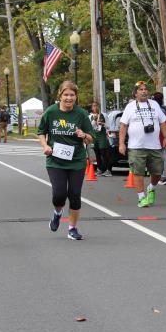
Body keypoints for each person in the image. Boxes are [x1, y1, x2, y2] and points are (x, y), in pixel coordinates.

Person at [38, 81, 95, 241]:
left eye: (72, 95)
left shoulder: (81, 114)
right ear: (60, 95)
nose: (69, 98)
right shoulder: (51, 112)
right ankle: (57, 213)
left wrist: (84, 135)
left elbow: (91, 138)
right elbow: (41, 132)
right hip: (55, 161)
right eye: (66, 95)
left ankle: (72, 228)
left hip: (77, 160)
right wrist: (45, 146)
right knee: (59, 195)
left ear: (76, 96)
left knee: (75, 195)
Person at [118, 81, 166, 207]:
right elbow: (123, 126)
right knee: (138, 172)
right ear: (135, 93)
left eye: (145, 89)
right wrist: (121, 144)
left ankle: (151, 187)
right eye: (140, 89)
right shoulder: (130, 106)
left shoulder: (154, 104)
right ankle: (141, 198)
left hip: (155, 145)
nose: (144, 91)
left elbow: (162, 122)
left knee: (158, 172)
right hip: (136, 146)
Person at [89, 102, 113, 176]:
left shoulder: (104, 115)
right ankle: (100, 169)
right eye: (93, 106)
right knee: (97, 153)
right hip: (95, 136)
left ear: (99, 107)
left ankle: (108, 170)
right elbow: (90, 127)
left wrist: (102, 124)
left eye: (96, 106)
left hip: (102, 136)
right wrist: (94, 120)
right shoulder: (90, 116)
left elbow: (108, 126)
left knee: (104, 153)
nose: (95, 107)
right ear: (92, 108)